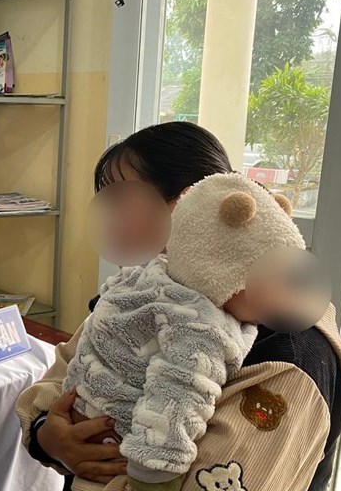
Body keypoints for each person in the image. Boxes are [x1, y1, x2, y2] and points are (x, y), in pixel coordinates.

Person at [15, 122, 341, 491]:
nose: (109, 221)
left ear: (190, 204)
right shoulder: (142, 294)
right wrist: (48, 438)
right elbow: (57, 380)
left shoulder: (289, 356)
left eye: (122, 202)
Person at [62, 172, 308, 491]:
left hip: (80, 414)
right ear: (224, 269)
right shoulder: (201, 328)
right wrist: (153, 481)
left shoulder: (148, 278)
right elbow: (173, 408)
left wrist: (50, 424)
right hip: (116, 453)